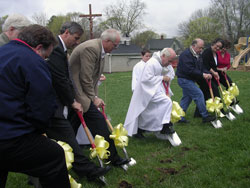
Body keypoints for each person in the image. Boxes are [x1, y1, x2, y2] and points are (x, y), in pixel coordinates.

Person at [0, 24, 70, 188]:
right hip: (10, 137)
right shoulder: (33, 62)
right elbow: (42, 108)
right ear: (39, 48)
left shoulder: (3, 51)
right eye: (46, 56)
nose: (45, 60)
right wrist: (39, 130)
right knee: (54, 156)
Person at [46, 21, 110, 181]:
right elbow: (60, 79)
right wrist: (72, 101)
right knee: (66, 137)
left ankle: (85, 170)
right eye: (76, 38)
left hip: (59, 102)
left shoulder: (61, 49)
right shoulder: (55, 49)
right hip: (53, 102)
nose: (77, 42)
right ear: (66, 32)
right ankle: (88, 170)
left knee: (63, 138)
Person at [69, 29, 129, 166]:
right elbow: (85, 78)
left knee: (69, 128)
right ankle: (113, 158)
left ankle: (66, 154)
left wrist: (95, 97)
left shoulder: (100, 50)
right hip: (78, 92)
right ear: (107, 41)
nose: (116, 48)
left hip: (81, 93)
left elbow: (94, 78)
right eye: (115, 45)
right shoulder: (91, 48)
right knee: (100, 124)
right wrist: (93, 98)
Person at [124, 48, 176, 139]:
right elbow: (146, 79)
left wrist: (166, 76)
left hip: (154, 90)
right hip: (146, 91)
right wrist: (161, 78)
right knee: (166, 102)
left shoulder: (159, 62)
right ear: (163, 56)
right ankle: (165, 126)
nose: (170, 63)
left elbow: (169, 71)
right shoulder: (152, 63)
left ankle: (145, 129)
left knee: (146, 112)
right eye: (169, 60)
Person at [176, 38, 216, 123]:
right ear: (193, 46)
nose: (201, 50)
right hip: (184, 79)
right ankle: (205, 116)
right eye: (199, 48)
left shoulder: (198, 54)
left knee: (187, 98)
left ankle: (179, 117)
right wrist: (202, 75)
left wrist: (207, 72)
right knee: (198, 94)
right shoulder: (185, 55)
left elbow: (202, 66)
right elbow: (189, 70)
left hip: (189, 80)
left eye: (202, 48)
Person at [131, 49, 151, 138]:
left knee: (146, 111)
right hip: (139, 91)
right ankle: (137, 131)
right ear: (141, 56)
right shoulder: (138, 66)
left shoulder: (149, 65)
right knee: (139, 112)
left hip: (147, 91)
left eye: (149, 56)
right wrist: (136, 91)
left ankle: (144, 127)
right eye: (146, 56)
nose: (148, 58)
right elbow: (136, 79)